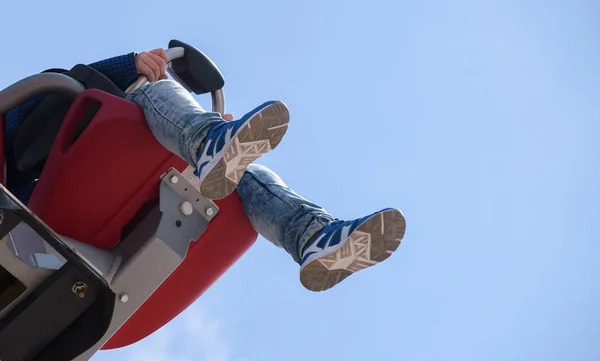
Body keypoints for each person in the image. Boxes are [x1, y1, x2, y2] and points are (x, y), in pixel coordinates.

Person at [4, 49, 406, 292]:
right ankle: (204, 138)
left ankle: (314, 237)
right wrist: (130, 68)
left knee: (229, 169)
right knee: (149, 89)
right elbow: (43, 101)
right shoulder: (34, 113)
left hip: (108, 223)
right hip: (44, 203)